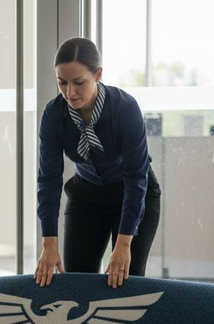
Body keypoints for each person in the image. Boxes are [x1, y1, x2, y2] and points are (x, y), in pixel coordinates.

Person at [35, 37, 161, 290]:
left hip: (132, 192)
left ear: (98, 75)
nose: (69, 92)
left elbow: (136, 177)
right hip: (86, 195)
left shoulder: (125, 108)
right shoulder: (53, 115)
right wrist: (49, 244)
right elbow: (48, 180)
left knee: (127, 283)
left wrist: (123, 244)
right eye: (62, 82)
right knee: (77, 284)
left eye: (78, 82)